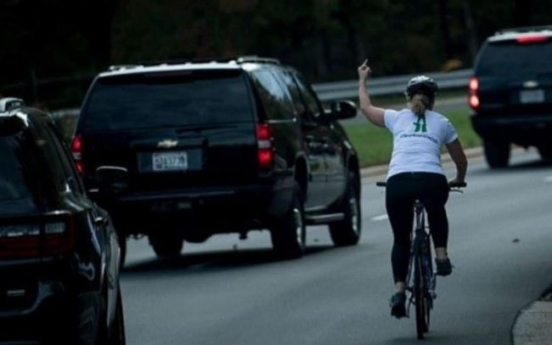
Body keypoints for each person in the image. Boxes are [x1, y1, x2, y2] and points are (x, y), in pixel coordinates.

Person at [357, 59, 468, 319]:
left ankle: (398, 291)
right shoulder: (442, 122)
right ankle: (441, 254)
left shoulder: (396, 117)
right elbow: (460, 159)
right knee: (436, 207)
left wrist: (362, 80)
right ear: (433, 99)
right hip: (431, 179)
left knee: (401, 239)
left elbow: (365, 107)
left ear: (409, 97)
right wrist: (459, 178)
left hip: (398, 182)